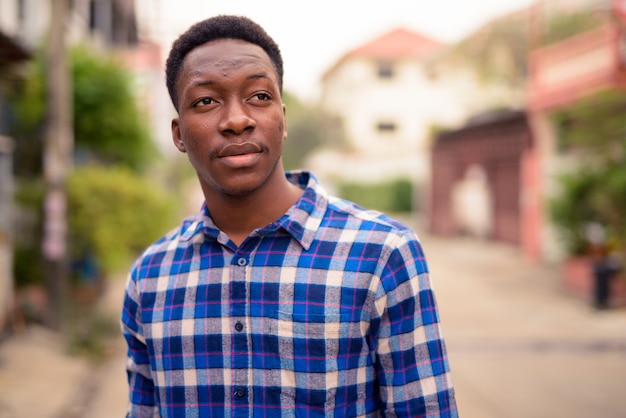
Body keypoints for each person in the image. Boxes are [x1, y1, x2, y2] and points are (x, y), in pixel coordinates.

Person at [121, 14, 457, 417]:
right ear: (178, 133)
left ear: (283, 118)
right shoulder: (151, 278)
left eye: (259, 96)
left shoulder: (383, 254)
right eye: (206, 101)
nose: (236, 120)